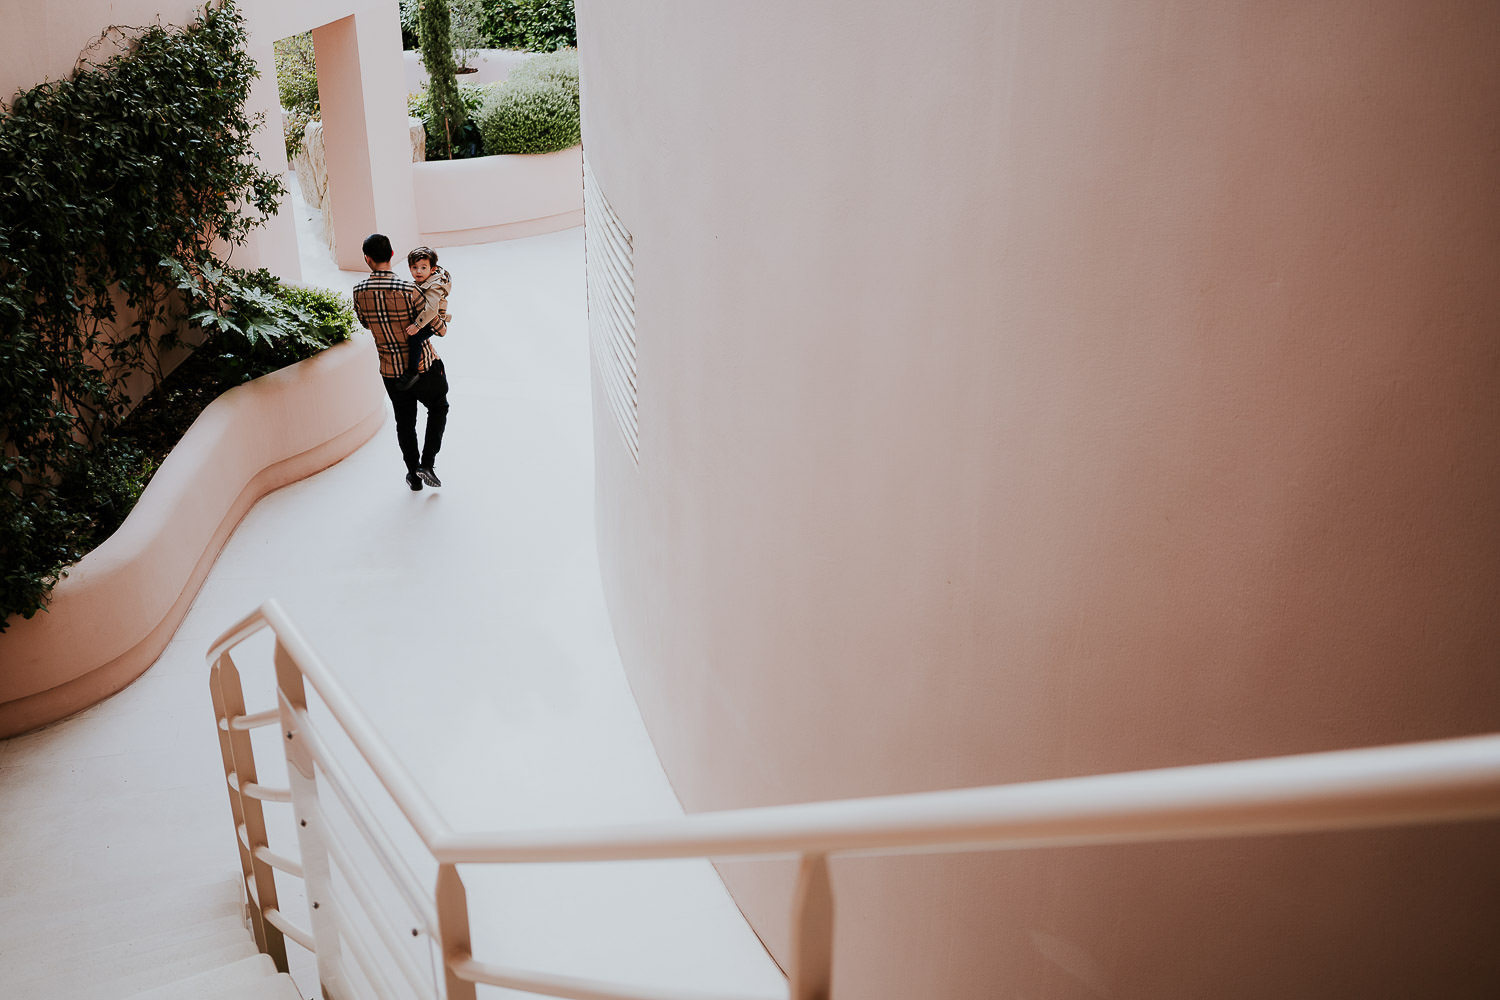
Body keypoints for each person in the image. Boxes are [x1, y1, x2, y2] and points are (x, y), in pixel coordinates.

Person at [351, 233, 449, 491]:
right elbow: (438, 329)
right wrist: (440, 318)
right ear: (393, 255)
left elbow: (364, 323)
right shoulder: (411, 289)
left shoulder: (358, 291)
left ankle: (413, 476)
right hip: (423, 367)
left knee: (405, 424)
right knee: (438, 407)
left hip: (391, 372)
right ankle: (427, 464)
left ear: (367, 259)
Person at [396, 245, 451, 390]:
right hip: (427, 317)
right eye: (414, 267)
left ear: (432, 269)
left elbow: (432, 310)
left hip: (434, 321)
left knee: (415, 339)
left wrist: (417, 325)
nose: (418, 271)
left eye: (423, 267)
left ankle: (412, 372)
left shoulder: (435, 285)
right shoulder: (423, 281)